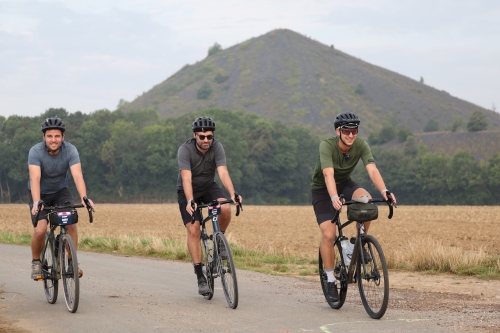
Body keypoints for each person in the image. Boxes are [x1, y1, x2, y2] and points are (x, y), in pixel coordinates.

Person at [310, 112, 397, 302]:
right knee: (329, 235)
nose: (351, 135)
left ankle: (354, 245)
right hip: (323, 190)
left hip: (346, 184)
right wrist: (333, 197)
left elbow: (372, 169)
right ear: (338, 131)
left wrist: (384, 191)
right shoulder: (327, 145)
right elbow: (328, 175)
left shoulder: (361, 145)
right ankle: (331, 279)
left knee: (367, 202)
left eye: (354, 130)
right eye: (347, 131)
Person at [176, 116, 242, 295]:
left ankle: (219, 242)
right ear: (194, 136)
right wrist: (190, 200)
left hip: (208, 186)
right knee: (194, 230)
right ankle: (200, 275)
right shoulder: (185, 150)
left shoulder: (217, 147)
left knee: (225, 208)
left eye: (209, 137)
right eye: (202, 136)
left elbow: (223, 172)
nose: (206, 140)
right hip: (187, 191)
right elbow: (186, 178)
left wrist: (232, 194)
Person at [28, 117, 95, 280]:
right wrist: (37, 202)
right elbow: (35, 178)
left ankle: (72, 262)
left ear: (63, 137)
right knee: (40, 230)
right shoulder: (35, 152)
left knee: (71, 222)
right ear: (44, 137)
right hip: (40, 194)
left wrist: (84, 197)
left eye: (57, 136)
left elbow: (77, 175)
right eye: (50, 136)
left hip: (60, 192)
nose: (53, 140)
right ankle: (36, 262)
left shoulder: (71, 150)